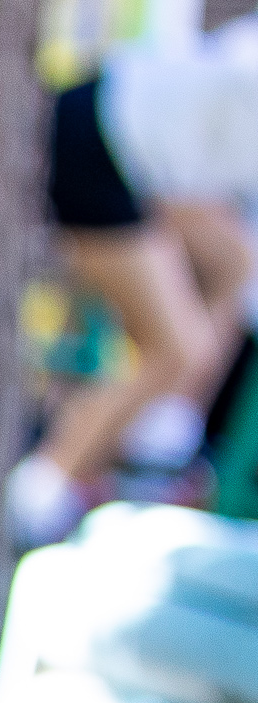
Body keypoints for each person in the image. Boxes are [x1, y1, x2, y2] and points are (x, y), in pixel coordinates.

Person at [18, 28, 258, 544]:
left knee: (237, 260)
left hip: (136, 160)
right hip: (100, 151)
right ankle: (37, 492)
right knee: (177, 350)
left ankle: (163, 431)